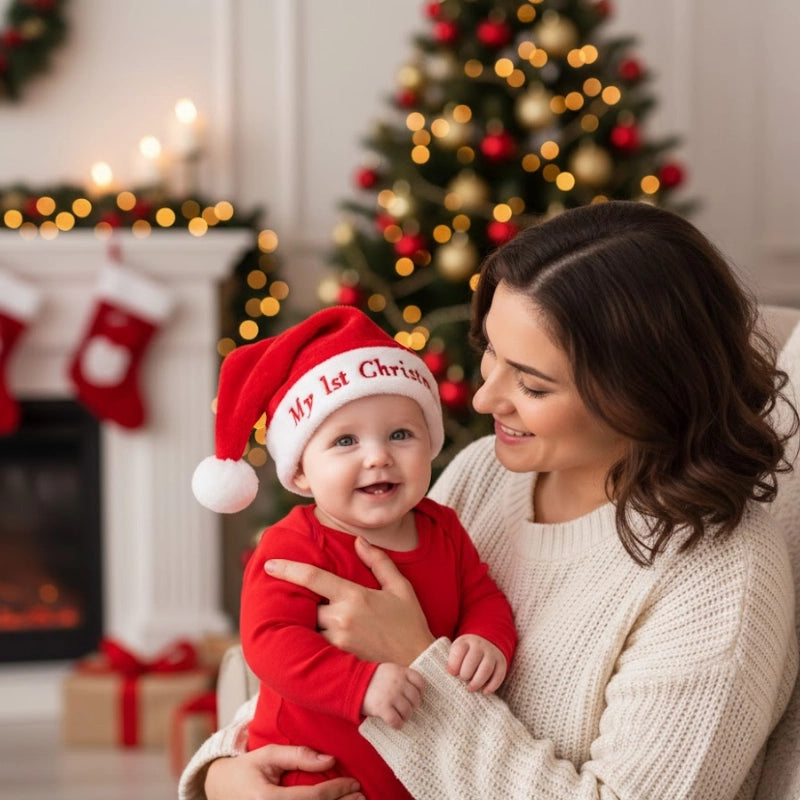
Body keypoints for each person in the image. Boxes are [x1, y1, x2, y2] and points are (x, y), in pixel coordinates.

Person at [180, 200, 799, 800]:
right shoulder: (486, 475)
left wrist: (412, 660)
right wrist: (225, 772)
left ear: (644, 393)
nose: (483, 400)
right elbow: (310, 652)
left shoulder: (721, 580)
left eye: (530, 383)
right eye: (491, 355)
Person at [189, 306, 517, 799]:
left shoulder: (443, 526)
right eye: (345, 440)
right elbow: (271, 640)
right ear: (300, 473)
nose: (378, 456)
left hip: (418, 775)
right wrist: (357, 685)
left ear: (430, 443)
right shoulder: (295, 546)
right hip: (317, 774)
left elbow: (482, 594)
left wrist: (486, 638)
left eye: (400, 434)